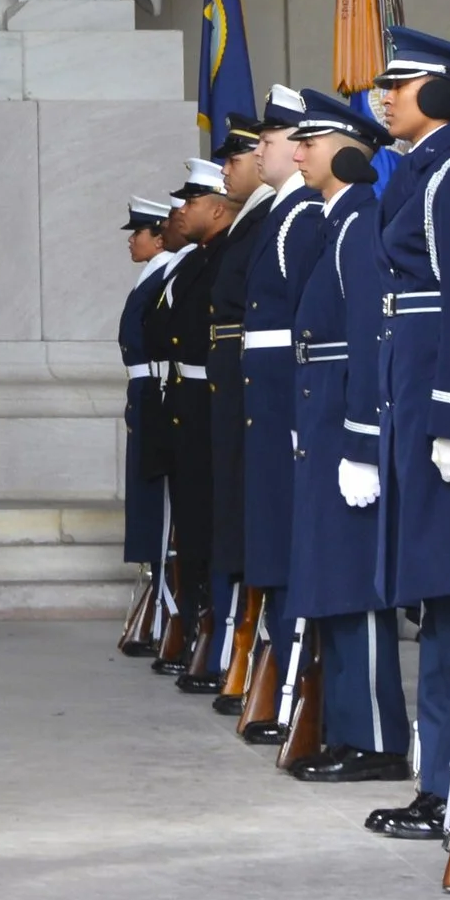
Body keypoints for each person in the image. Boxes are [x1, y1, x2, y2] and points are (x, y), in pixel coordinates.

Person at [354, 28, 450, 842]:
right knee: (438, 606)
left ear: (442, 94)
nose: (384, 95)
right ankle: (442, 778)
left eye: (400, 84)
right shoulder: (421, 169)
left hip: (441, 408)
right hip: (409, 398)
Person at [285, 89, 407, 785]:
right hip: (322, 416)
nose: (297, 151)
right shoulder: (334, 220)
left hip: (343, 422)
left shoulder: (359, 221)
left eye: (311, 138)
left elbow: (369, 335)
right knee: (332, 577)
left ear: (348, 146)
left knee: (355, 585)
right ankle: (350, 728)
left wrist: (362, 440)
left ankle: (379, 735)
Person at [235, 84, 325, 738]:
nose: (261, 148)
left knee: (289, 539)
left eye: (270, 139)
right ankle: (284, 671)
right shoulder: (284, 215)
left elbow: (308, 325)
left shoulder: (303, 219)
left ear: (299, 152)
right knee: (272, 535)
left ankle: (299, 678)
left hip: (286, 401)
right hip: (268, 400)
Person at [189, 113, 272, 696]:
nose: (229, 170)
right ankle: (230, 646)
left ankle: (249, 655)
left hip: (251, 384)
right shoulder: (256, 219)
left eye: (238, 158)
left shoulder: (272, 216)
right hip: (230, 382)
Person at [144, 160, 234, 675]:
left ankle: (210, 631)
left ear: (217, 207)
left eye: (191, 202)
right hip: (183, 403)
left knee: (205, 523)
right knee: (192, 523)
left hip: (205, 403)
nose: (180, 211)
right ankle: (197, 625)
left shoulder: (222, 256)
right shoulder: (196, 259)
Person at [117, 192, 172, 623]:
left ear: (158, 238)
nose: (131, 240)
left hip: (156, 389)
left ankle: (165, 599)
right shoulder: (153, 274)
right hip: (143, 390)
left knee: (156, 496)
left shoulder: (166, 274)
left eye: (137, 232)